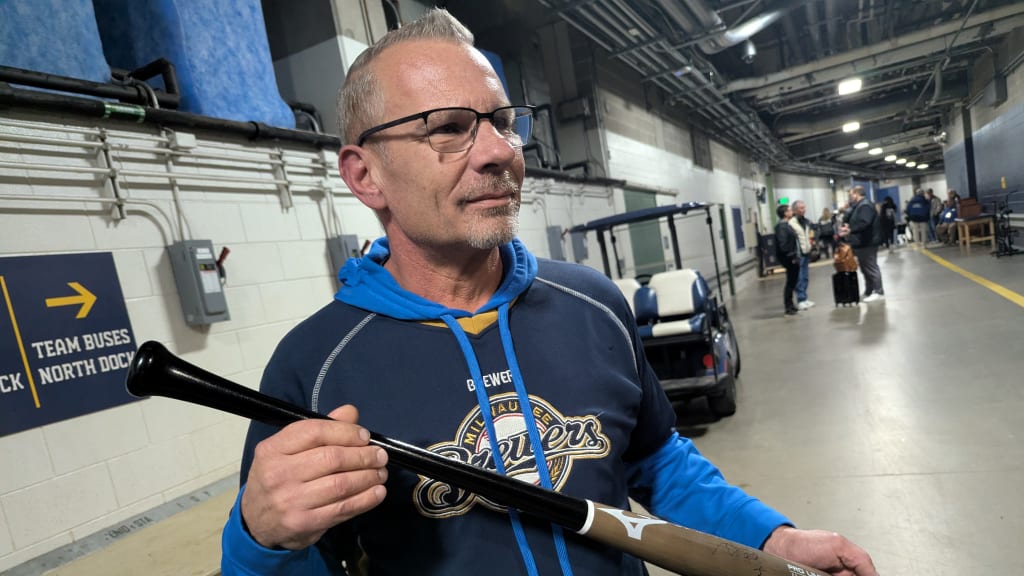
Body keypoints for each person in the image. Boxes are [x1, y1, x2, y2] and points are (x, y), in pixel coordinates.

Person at [220, 9, 878, 576]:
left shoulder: (591, 303)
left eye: (503, 121)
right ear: (366, 176)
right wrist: (260, 539)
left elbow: (659, 463)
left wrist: (770, 538)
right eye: (448, 127)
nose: (497, 151)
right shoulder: (313, 369)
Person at [840, 186, 885, 302]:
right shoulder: (858, 206)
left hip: (867, 242)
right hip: (861, 242)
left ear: (856, 194)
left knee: (871, 267)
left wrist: (850, 230)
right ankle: (869, 290)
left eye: (850, 195)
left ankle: (878, 291)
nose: (849, 197)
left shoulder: (865, 206)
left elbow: (865, 223)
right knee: (865, 268)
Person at [775, 204, 801, 316]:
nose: (792, 212)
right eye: (789, 210)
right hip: (789, 258)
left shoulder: (786, 225)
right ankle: (788, 306)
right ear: (785, 213)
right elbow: (783, 244)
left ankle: (791, 305)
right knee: (790, 282)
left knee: (793, 281)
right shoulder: (782, 227)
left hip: (792, 256)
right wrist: (792, 256)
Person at [788, 200, 815, 309]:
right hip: (798, 254)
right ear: (794, 210)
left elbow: (811, 233)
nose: (803, 210)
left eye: (804, 207)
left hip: (806, 251)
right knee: (799, 277)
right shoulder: (791, 223)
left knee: (805, 277)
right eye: (800, 208)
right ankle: (800, 299)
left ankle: (804, 298)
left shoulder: (806, 222)